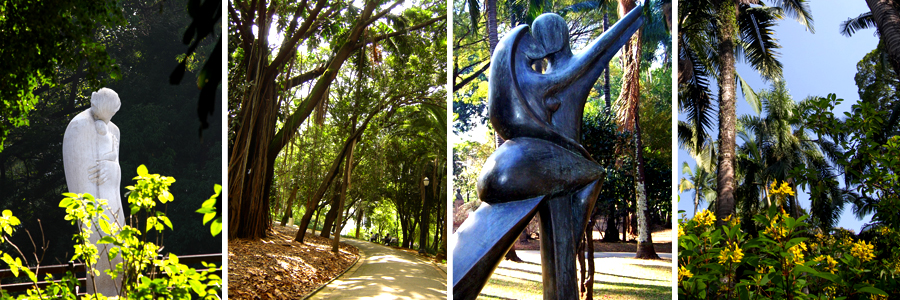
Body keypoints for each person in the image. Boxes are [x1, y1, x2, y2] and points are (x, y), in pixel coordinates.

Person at [62, 88, 125, 296]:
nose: (109, 119)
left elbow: (115, 168)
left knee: (120, 252)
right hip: (94, 204)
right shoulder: (79, 126)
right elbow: (78, 176)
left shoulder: (114, 131)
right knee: (99, 252)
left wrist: (112, 170)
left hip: (113, 200)